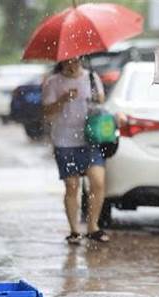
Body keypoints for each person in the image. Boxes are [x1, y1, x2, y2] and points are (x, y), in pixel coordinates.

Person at [42, 57, 110, 244]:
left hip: (90, 139)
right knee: (72, 186)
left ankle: (93, 226)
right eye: (67, 62)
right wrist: (63, 100)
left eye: (75, 61)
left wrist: (95, 98)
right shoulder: (53, 82)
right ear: (61, 63)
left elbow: (101, 101)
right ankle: (74, 231)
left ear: (81, 60)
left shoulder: (91, 77)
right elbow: (47, 112)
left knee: (98, 181)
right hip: (64, 141)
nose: (72, 65)